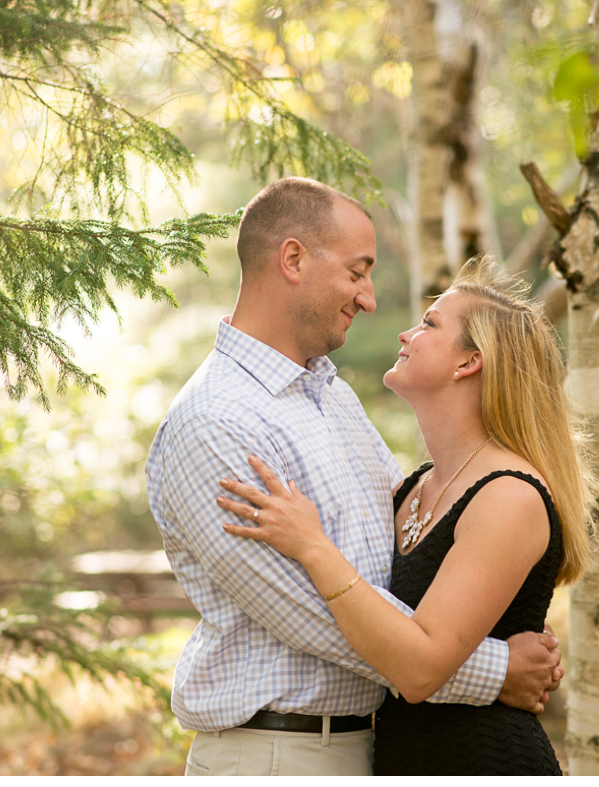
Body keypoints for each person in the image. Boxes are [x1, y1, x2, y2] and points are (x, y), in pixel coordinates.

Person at [144, 177, 564, 776]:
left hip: (375, 748)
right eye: (357, 271)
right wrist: (494, 671)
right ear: (293, 259)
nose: (369, 299)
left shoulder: (332, 397)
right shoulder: (216, 421)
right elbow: (309, 615)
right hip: (278, 756)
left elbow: (404, 558)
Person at [218, 254, 598, 775]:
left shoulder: (510, 496)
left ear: (470, 362)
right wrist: (502, 666)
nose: (405, 332)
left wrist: (312, 546)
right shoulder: (414, 486)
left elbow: (420, 669)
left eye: (429, 324)